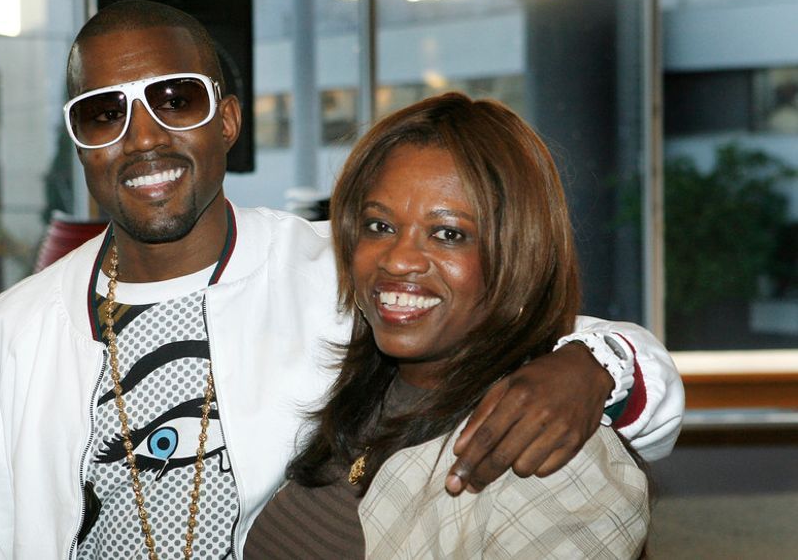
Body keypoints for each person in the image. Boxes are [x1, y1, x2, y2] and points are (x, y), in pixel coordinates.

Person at [0, 0, 682, 559]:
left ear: (226, 121)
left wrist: (593, 365)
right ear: (80, 144)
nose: (142, 137)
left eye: (174, 98)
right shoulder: (10, 334)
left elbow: (519, 324)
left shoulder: (339, 268)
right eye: (101, 115)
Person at [246, 92, 651, 559]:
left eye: (448, 234)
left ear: (517, 257)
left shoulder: (545, 452)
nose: (398, 259)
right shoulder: (366, 386)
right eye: (379, 226)